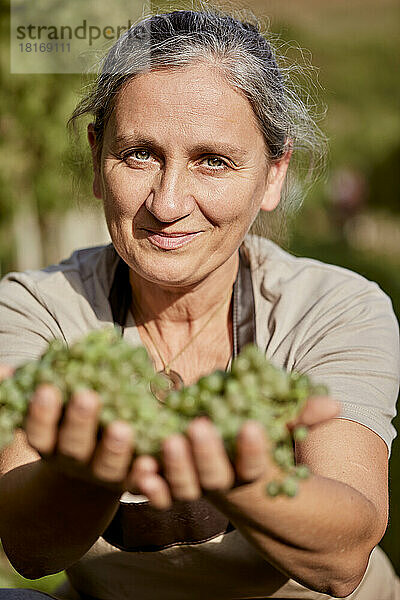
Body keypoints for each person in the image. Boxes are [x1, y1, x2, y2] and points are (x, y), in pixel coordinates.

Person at [0, 8, 399, 600]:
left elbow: (343, 560)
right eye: (139, 154)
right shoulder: (40, 307)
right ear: (96, 158)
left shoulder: (334, 307)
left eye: (213, 160)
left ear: (272, 175)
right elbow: (29, 550)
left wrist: (239, 472)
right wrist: (94, 469)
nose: (167, 202)